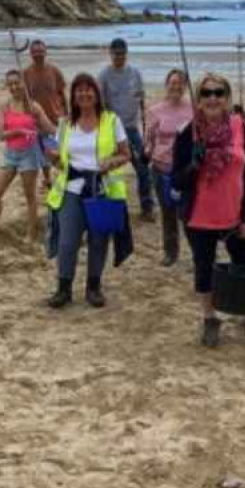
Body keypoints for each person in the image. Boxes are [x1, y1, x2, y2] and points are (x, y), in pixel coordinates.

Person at [172, 73, 245, 348]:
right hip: (199, 217)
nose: (213, 98)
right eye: (206, 93)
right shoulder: (188, 133)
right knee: (204, 268)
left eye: (219, 93)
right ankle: (210, 319)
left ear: (227, 98)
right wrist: (193, 165)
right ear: (198, 99)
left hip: (234, 217)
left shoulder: (240, 127)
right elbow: (176, 181)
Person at [46, 73, 131, 309]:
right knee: (67, 242)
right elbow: (58, 160)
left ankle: (93, 287)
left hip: (101, 189)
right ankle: (64, 289)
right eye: (79, 90)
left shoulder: (112, 121)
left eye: (88, 89)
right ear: (73, 95)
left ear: (96, 93)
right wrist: (52, 158)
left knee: (98, 241)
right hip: (71, 189)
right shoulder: (64, 124)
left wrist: (111, 163)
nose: (84, 94)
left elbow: (126, 154)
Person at [0, 69, 56, 241]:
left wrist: (62, 132)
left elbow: (50, 129)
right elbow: (1, 135)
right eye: (10, 84)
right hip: (10, 155)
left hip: (29, 154)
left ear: (23, 83)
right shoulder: (4, 107)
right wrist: (20, 130)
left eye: (17, 83)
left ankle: (31, 233)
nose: (14, 87)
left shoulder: (33, 107)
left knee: (30, 196)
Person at [98, 37, 155, 220]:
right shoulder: (104, 75)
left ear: (126, 54)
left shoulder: (135, 74)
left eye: (122, 54)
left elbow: (141, 100)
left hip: (132, 128)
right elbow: (101, 106)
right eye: (116, 54)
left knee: (143, 169)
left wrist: (145, 125)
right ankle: (107, 206)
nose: (119, 57)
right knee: (108, 170)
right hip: (112, 130)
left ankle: (147, 208)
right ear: (110, 53)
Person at [144, 68, 194, 266]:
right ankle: (170, 252)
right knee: (168, 212)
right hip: (161, 169)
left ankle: (197, 250)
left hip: (185, 170)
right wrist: (146, 150)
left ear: (185, 86)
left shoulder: (193, 110)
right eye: (173, 82)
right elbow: (149, 140)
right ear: (167, 84)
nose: (176, 86)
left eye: (180, 83)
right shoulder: (155, 110)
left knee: (188, 212)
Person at [23, 39, 68, 188]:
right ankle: (47, 178)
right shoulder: (26, 73)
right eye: (35, 52)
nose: (38, 54)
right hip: (37, 121)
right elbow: (24, 98)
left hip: (56, 119)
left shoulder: (54, 70)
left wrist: (67, 113)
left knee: (59, 151)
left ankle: (65, 175)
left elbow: (62, 93)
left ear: (46, 52)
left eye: (41, 51)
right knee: (43, 152)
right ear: (30, 54)